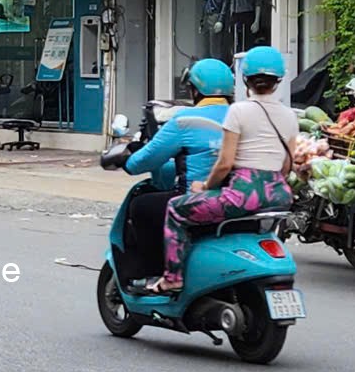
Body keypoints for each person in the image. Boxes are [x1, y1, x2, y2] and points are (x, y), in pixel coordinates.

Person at [153, 45, 298, 294]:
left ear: (245, 80)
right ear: (279, 81)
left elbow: (225, 163)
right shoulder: (289, 116)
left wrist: (205, 186)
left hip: (243, 194)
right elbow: (287, 165)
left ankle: (173, 278)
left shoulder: (238, 111)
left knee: (176, 209)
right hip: (279, 196)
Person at [123, 60, 235, 281]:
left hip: (196, 198)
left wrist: (127, 160)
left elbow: (143, 161)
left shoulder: (185, 122)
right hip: (239, 198)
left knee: (141, 207)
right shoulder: (241, 117)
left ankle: (154, 274)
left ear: (194, 89)